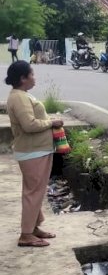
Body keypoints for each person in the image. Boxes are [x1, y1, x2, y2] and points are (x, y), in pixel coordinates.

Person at [6, 61, 64, 247]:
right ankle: (26, 235)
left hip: (36, 150)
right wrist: (51, 123)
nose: (34, 77)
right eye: (32, 74)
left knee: (36, 191)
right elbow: (29, 125)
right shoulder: (19, 98)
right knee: (33, 192)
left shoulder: (21, 95)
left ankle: (34, 227)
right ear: (23, 78)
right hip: (32, 151)